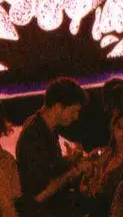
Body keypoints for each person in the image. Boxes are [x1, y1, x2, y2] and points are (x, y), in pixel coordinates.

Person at [16, 77, 88, 215]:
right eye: (74, 111)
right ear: (58, 107)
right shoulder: (34, 136)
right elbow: (41, 191)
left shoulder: (47, 128)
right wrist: (73, 171)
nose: (76, 117)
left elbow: (50, 168)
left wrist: (70, 160)